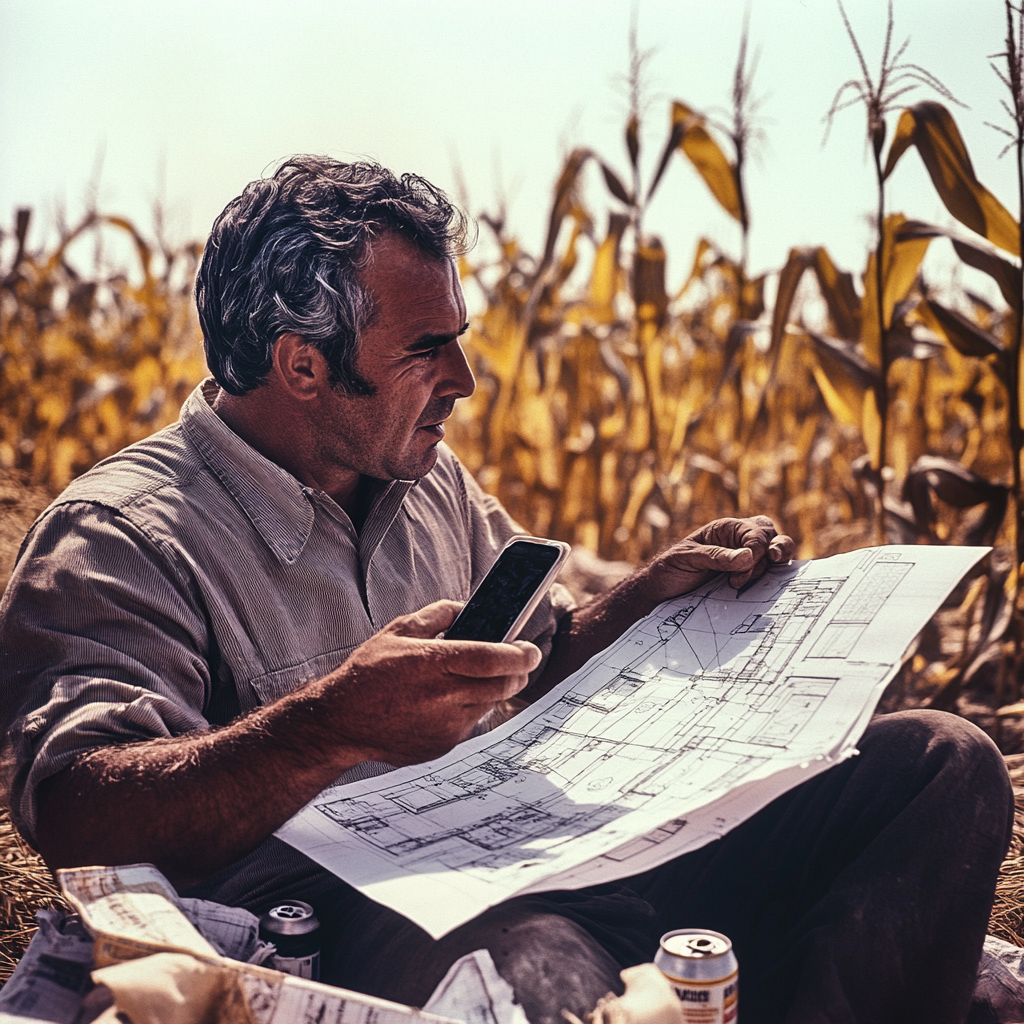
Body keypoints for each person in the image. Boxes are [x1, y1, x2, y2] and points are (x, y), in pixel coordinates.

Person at [0, 156, 1013, 1024]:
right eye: (425, 347)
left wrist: (646, 598)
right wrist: (327, 728)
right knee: (533, 969)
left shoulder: (419, 476)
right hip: (380, 920)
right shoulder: (127, 533)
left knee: (939, 764)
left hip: (555, 848)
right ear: (302, 365)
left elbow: (524, 660)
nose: (466, 378)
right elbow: (76, 805)